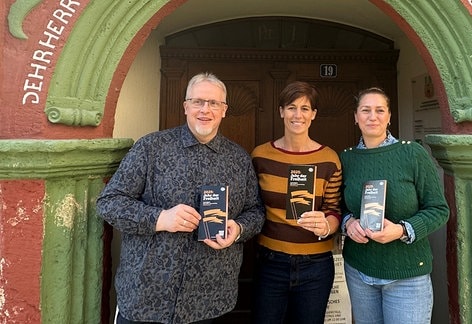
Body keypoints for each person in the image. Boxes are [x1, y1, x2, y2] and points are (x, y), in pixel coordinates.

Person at [96, 72, 265, 324]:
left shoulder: (238, 159)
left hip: (208, 301)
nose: (205, 110)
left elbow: (255, 212)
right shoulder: (151, 148)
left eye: (213, 103)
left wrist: (238, 229)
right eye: (198, 101)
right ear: (186, 106)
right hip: (147, 297)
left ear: (224, 110)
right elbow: (109, 203)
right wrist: (160, 218)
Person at [339, 87, 449, 324]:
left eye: (380, 110)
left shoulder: (412, 154)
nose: (372, 116)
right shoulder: (346, 159)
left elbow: (439, 209)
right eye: (365, 110)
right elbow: (338, 206)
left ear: (389, 116)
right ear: (355, 116)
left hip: (407, 275)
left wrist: (401, 230)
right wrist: (348, 224)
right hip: (359, 271)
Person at [250, 81, 342, 324]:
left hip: (317, 266)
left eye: (305, 108)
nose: (297, 115)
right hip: (271, 262)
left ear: (313, 114)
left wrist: (327, 226)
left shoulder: (329, 158)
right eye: (291, 107)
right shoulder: (260, 155)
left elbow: (334, 208)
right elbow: (252, 206)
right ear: (281, 111)